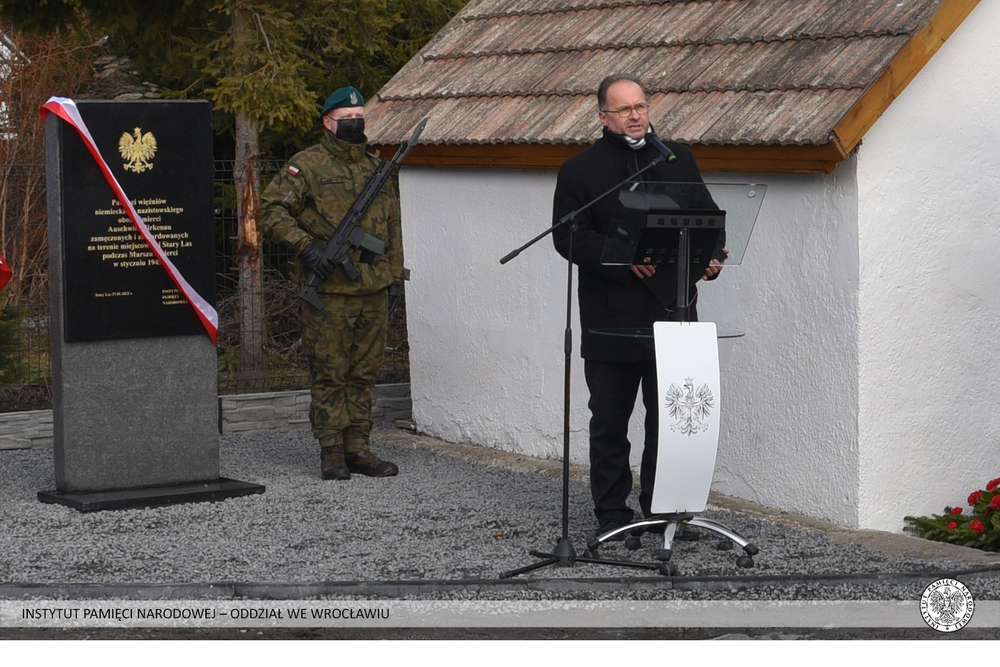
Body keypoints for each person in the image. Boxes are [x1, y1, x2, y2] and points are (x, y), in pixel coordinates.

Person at [551, 73, 726, 537]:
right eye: (624, 109)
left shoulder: (676, 158)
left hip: (673, 312)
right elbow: (569, 237)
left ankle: (661, 510)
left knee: (667, 421)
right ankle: (612, 516)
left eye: (641, 107)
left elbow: (708, 217)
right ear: (603, 116)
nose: (634, 115)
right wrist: (622, 258)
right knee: (610, 421)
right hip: (612, 315)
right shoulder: (581, 170)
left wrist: (712, 256)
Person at [259, 86, 406, 481]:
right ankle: (332, 451)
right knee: (330, 371)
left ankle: (360, 448)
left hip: (372, 288)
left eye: (360, 115)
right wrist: (306, 248)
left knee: (364, 373)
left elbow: (392, 229)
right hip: (328, 292)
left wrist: (395, 278)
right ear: (328, 122)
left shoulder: (376, 168)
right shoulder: (306, 165)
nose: (356, 122)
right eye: (347, 117)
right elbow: (271, 209)